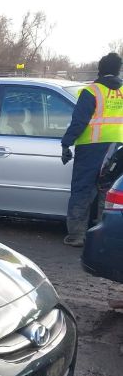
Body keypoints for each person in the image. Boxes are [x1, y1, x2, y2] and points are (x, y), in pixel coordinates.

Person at [61, 52, 123, 247]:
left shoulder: (91, 91)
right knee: (109, 191)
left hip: (91, 147)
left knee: (82, 190)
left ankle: (77, 235)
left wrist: (66, 142)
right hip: (118, 148)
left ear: (100, 69)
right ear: (118, 70)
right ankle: (103, 235)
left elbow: (79, 121)